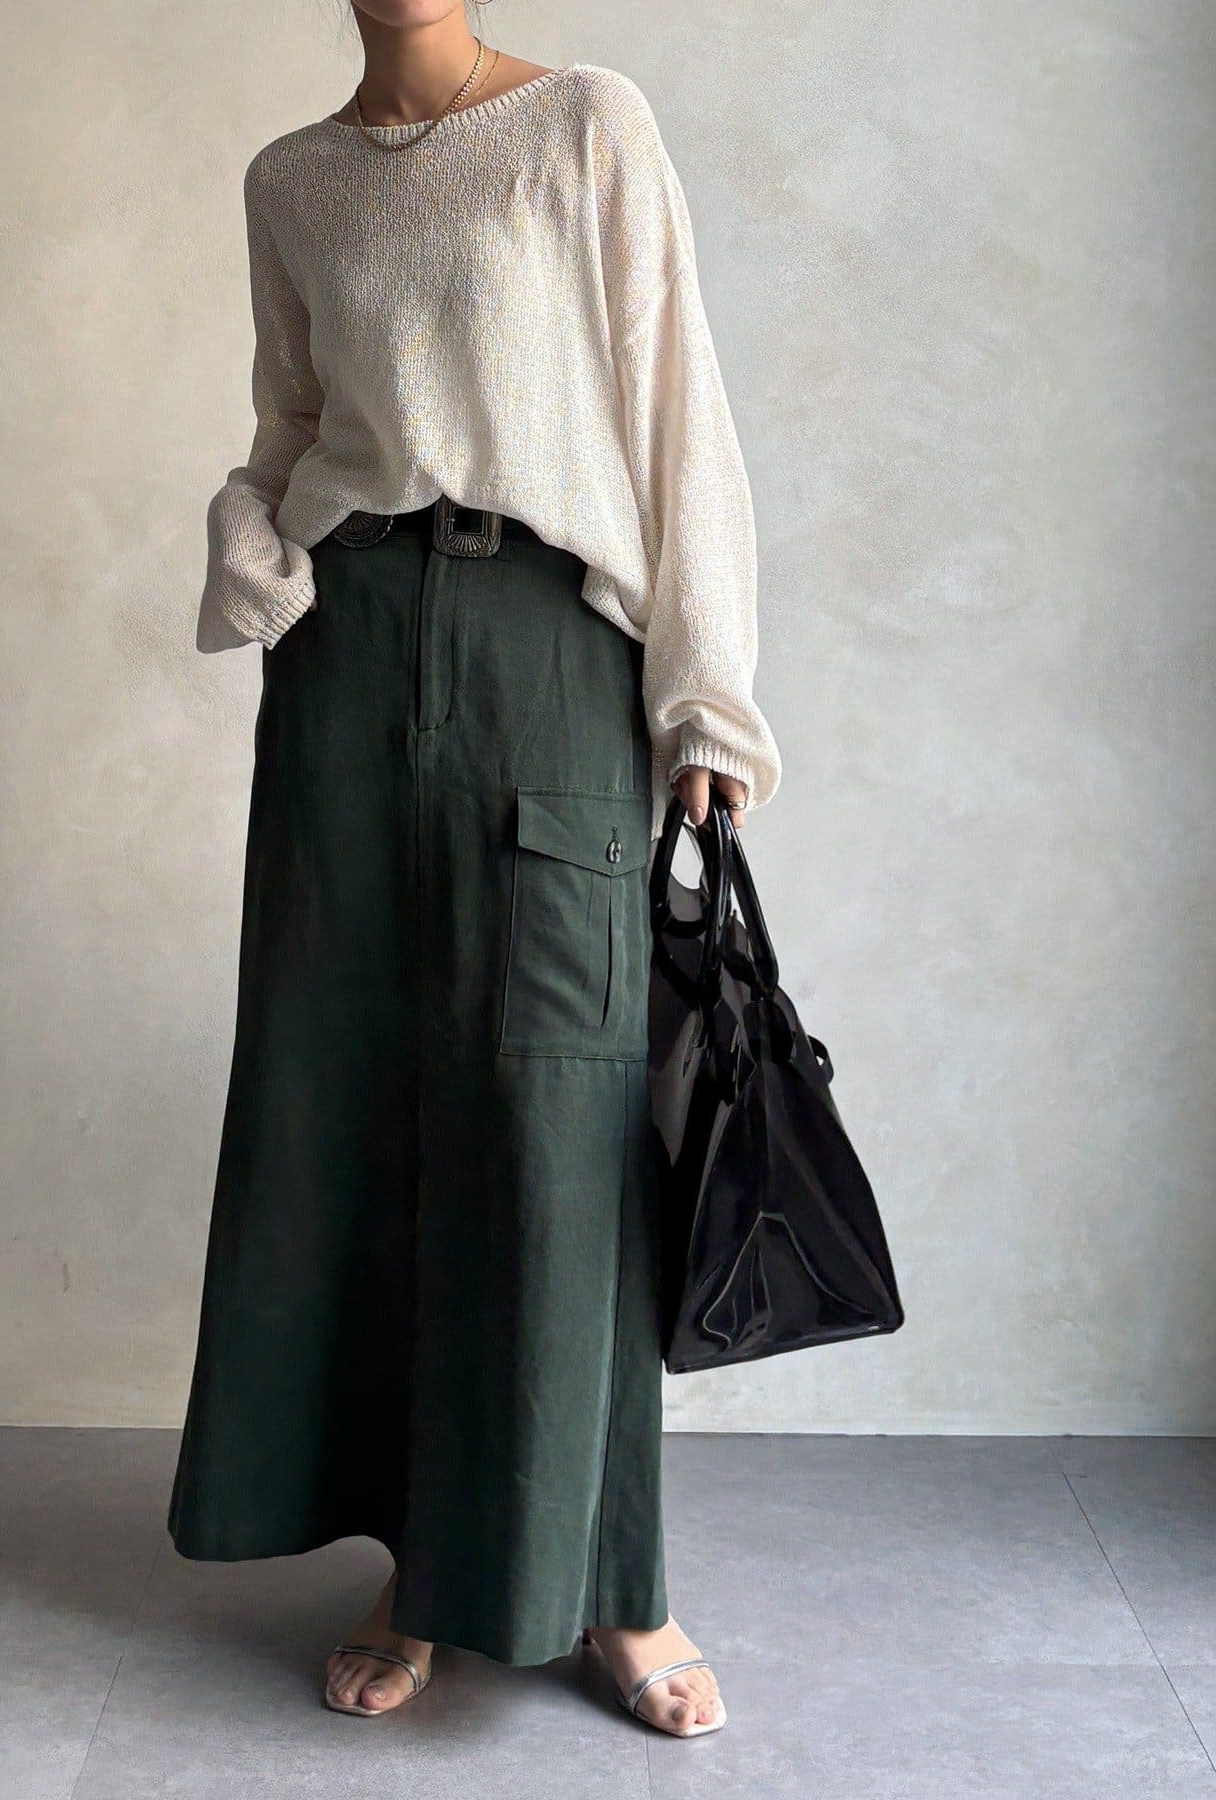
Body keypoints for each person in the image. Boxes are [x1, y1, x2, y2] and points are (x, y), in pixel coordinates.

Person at [167, 1, 782, 1742]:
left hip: (549, 651)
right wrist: (254, 540)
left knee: (561, 1118)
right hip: (349, 660)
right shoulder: (290, 180)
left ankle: (620, 1581)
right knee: (361, 1105)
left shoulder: (586, 124)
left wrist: (706, 703)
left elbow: (675, 416)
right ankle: (421, 1564)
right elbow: (291, 423)